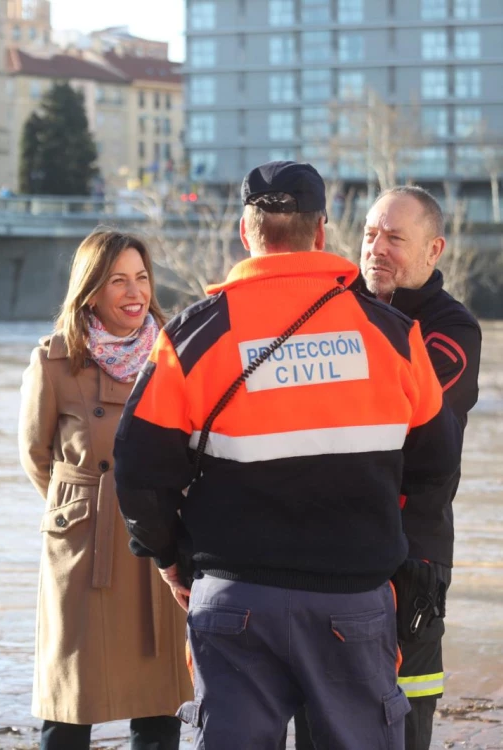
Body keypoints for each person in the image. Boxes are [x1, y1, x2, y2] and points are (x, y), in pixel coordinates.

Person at [114, 161, 463, 750]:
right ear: (321, 233)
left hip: (234, 595)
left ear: (245, 232)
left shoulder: (192, 337)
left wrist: (173, 559)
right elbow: (435, 468)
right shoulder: (395, 334)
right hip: (354, 599)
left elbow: (139, 471)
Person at [288, 185, 483, 750]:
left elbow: (396, 414)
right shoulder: (334, 305)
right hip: (329, 545)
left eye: (395, 238)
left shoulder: (455, 329)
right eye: (370, 234)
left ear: (434, 249)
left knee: (404, 708)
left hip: (411, 554)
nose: (376, 248)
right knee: (321, 703)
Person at [19, 229, 192, 750]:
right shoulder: (54, 361)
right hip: (84, 548)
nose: (134, 291)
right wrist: (87, 506)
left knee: (161, 702)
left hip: (159, 540)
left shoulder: (175, 355)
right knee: (70, 703)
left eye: (141, 278)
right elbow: (36, 457)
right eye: (118, 280)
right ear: (91, 290)